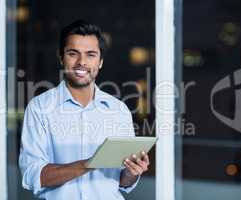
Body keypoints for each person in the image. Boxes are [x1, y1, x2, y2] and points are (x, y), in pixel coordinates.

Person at [19, 20, 150, 200]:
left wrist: (132, 172)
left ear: (100, 62)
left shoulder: (118, 110)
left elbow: (122, 181)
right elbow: (32, 175)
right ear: (61, 57)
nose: (82, 62)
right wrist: (89, 163)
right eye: (73, 54)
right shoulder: (39, 108)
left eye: (90, 55)